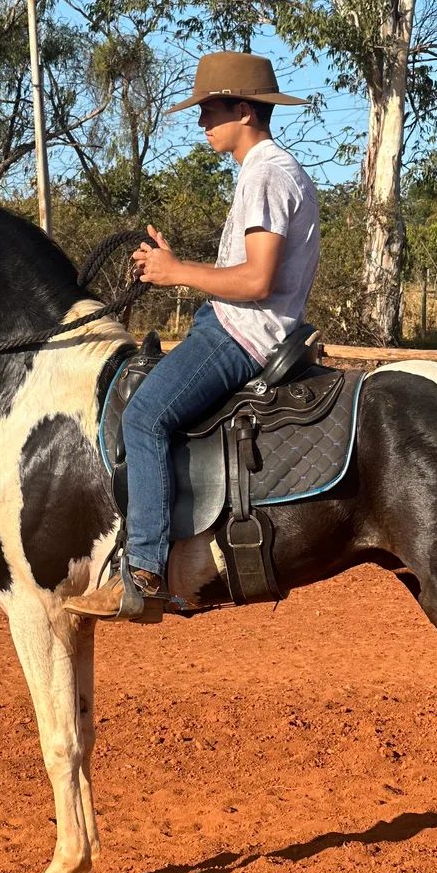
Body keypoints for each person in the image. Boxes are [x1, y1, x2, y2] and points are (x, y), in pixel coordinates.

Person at [65, 51, 320, 617]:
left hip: (241, 336)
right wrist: (178, 266)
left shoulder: (267, 175)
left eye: (211, 108)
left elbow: (256, 280)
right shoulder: (266, 172)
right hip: (235, 324)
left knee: (145, 414)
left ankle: (145, 573)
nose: (202, 120)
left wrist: (175, 274)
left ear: (246, 111)